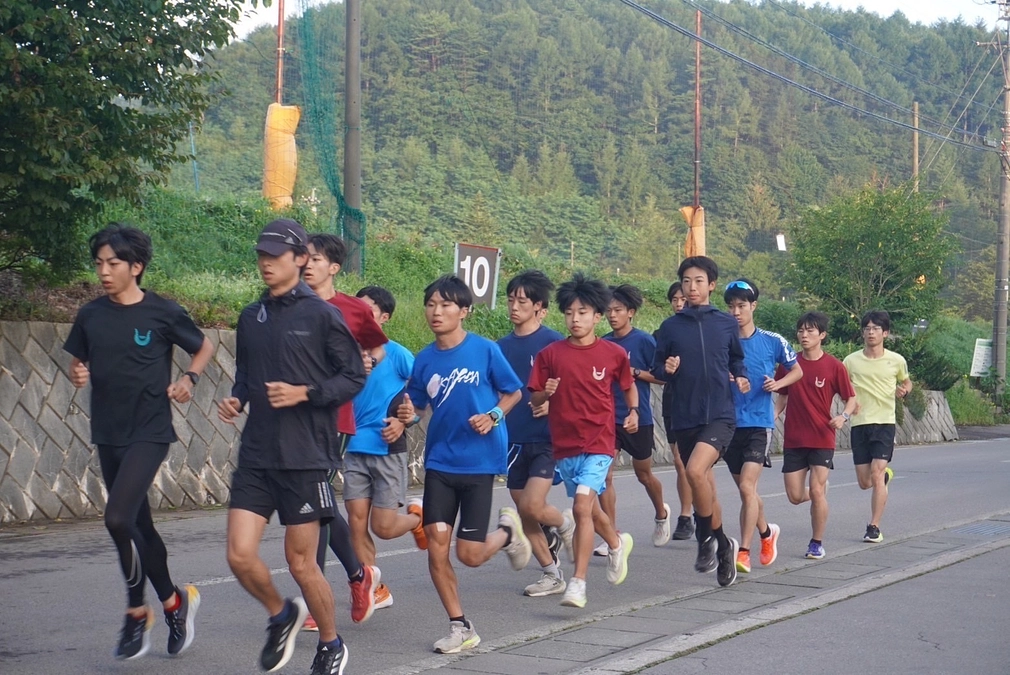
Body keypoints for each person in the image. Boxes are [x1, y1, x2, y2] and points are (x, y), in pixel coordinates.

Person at [218, 219, 365, 675]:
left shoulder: (322, 315)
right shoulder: (250, 316)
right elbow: (246, 373)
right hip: (258, 454)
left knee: (301, 563)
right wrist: (237, 396)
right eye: (261, 254)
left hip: (305, 457)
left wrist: (305, 393)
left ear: (301, 259)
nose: (265, 262)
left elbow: (353, 377)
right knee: (239, 555)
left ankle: (331, 642)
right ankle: (281, 613)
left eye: (276, 255)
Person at [64, 223, 214, 661]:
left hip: (149, 431)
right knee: (138, 525)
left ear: (136, 266)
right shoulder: (91, 314)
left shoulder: (162, 313)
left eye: (112, 263)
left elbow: (202, 346)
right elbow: (78, 360)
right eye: (98, 264)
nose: (104, 272)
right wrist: (77, 371)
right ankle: (173, 602)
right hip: (108, 432)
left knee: (116, 519)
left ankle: (135, 612)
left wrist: (189, 377)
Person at [395, 275, 531, 654]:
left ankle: (507, 533)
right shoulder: (424, 359)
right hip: (440, 461)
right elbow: (416, 406)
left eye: (446, 305)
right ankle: (460, 625)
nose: (436, 312)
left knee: (468, 555)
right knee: (437, 547)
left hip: (479, 464)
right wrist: (405, 414)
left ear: (464, 311)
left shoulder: (484, 350)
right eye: (431, 304)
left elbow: (514, 391)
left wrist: (493, 415)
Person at [529, 273, 636, 609]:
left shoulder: (613, 354)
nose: (576, 319)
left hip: (600, 443)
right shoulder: (550, 354)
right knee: (589, 509)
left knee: (579, 507)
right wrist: (542, 396)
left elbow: (627, 384)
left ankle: (578, 583)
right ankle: (617, 543)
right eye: (570, 313)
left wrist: (632, 411)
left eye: (583, 312)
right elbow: (533, 397)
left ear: (597, 317)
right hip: (565, 445)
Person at [302, 232, 388, 628]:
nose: (306, 264)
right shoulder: (290, 304)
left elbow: (378, 349)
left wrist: (363, 361)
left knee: (313, 502)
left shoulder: (352, 309)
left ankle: (317, 602)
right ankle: (358, 576)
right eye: (302, 257)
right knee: (316, 505)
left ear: (333, 267)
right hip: (295, 417)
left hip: (334, 417)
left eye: (315, 258)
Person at [652, 256, 749, 588]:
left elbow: (736, 358)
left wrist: (741, 376)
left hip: (720, 415)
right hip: (685, 415)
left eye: (698, 281)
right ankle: (723, 545)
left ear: (711, 285)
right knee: (705, 486)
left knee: (694, 472)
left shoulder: (725, 323)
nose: (691, 287)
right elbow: (657, 367)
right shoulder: (670, 327)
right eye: (686, 281)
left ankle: (705, 536)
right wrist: (668, 369)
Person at [342, 285, 426, 612]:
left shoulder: (399, 354)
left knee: (384, 527)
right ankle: (374, 587)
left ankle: (417, 518)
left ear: (384, 318)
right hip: (353, 447)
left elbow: (422, 394)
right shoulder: (343, 353)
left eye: (368, 311)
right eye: (355, 310)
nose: (360, 317)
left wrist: (407, 420)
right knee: (356, 522)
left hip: (389, 448)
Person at [497, 270, 575, 598]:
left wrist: (551, 404)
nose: (514, 306)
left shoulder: (555, 343)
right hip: (512, 439)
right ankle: (551, 573)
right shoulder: (499, 347)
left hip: (547, 438)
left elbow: (574, 386)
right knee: (524, 509)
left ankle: (563, 523)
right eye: (511, 299)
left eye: (522, 301)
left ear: (539, 307)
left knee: (530, 505)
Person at [722, 279, 802, 574]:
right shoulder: (723, 342)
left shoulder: (772, 341)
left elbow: (797, 371)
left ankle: (743, 552)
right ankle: (768, 533)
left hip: (759, 422)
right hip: (729, 424)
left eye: (741, 306)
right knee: (748, 493)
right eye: (731, 307)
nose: (736, 312)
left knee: (746, 487)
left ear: (753, 306)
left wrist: (776, 383)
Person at [775, 312, 857, 559]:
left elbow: (851, 398)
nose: (804, 335)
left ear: (822, 335)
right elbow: (783, 395)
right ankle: (817, 491)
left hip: (822, 437)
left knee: (817, 491)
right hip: (794, 438)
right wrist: (773, 416)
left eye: (810, 331)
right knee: (795, 496)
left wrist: (843, 416)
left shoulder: (834, 366)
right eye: (801, 330)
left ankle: (816, 542)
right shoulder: (789, 364)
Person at [598, 284, 671, 554]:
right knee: (605, 477)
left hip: (638, 418)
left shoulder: (643, 341)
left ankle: (661, 513)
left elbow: (662, 377)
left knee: (644, 474)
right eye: (608, 311)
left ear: (631, 312)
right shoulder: (603, 342)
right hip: (608, 419)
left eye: (617, 310)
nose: (612, 315)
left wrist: (634, 372)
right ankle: (612, 537)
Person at [843, 310, 910, 544]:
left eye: (875, 328)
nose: (871, 332)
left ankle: (874, 527)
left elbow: (906, 381)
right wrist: (848, 405)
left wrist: (905, 390)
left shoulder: (896, 360)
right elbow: (843, 388)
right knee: (865, 482)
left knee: (876, 472)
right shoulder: (850, 361)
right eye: (867, 328)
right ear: (863, 332)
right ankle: (883, 478)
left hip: (884, 423)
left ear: (885, 333)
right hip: (860, 424)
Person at [662, 282, 694, 541]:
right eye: (675, 299)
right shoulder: (665, 331)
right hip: (674, 402)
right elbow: (656, 369)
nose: (679, 303)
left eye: (683, 298)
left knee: (697, 465)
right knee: (679, 461)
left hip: (703, 403)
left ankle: (702, 513)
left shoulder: (705, 328)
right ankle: (686, 516)